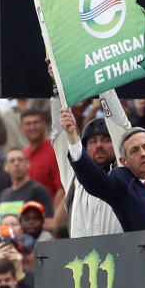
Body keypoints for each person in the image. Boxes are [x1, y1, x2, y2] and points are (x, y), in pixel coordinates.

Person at [50, 87, 129, 238]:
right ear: (85, 148)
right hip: (81, 257)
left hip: (119, 256)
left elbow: (120, 125)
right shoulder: (73, 177)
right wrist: (57, 89)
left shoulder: (126, 174)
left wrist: (104, 84)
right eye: (93, 141)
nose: (99, 145)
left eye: (106, 140)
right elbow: (60, 134)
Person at [0, 149, 53, 227]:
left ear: (28, 164)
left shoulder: (38, 190)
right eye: (12, 161)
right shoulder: (3, 194)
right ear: (5, 167)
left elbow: (48, 222)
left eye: (20, 160)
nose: (16, 163)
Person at [21, 108, 63, 203]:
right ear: (21, 128)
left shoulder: (55, 151)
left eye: (36, 122)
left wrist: (53, 216)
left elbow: (61, 190)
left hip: (47, 214)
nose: (32, 127)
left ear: (44, 124)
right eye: (28, 124)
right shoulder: (23, 154)